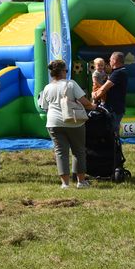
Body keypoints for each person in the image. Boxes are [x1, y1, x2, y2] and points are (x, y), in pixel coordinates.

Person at [39, 59, 97, 189]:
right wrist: (93, 106)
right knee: (79, 151)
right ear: (62, 71)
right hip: (73, 121)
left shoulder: (47, 87)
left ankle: (65, 183)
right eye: (66, 70)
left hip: (53, 123)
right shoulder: (71, 84)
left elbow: (44, 106)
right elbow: (84, 101)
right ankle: (81, 181)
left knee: (60, 152)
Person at [93, 52, 128, 132]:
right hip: (114, 107)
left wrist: (95, 95)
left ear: (114, 61)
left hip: (114, 108)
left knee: (112, 131)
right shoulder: (118, 71)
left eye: (110, 60)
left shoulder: (118, 72)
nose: (109, 62)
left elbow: (104, 88)